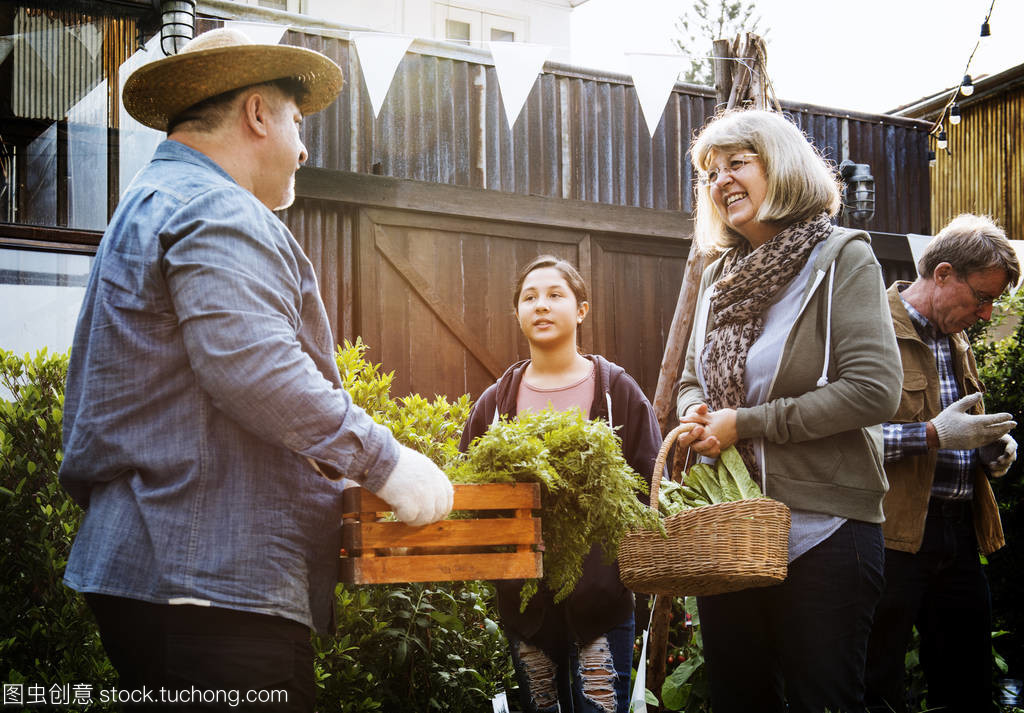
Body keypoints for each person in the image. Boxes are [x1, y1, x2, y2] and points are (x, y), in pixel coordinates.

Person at [58, 28, 453, 712]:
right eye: (298, 122)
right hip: (212, 581)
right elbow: (255, 367)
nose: (303, 148)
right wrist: (388, 462)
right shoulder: (216, 205)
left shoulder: (152, 201)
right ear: (257, 114)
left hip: (160, 574)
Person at [674, 108, 903, 713]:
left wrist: (744, 423)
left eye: (737, 164)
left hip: (825, 533)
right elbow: (692, 379)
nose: (721, 180)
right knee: (739, 700)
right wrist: (698, 413)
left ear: (782, 166)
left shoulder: (841, 259)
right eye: (710, 172)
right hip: (733, 530)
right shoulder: (719, 276)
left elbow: (875, 389)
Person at [458, 255, 661, 713]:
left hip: (604, 600)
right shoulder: (495, 404)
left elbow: (651, 482)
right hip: (525, 603)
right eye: (529, 298)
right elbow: (472, 491)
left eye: (555, 295)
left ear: (581, 310)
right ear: (517, 314)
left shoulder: (616, 391)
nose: (541, 306)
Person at [865, 214, 1019, 713]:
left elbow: (962, 426)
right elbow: (842, 439)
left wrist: (990, 451)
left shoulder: (957, 340)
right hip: (892, 536)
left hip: (957, 534)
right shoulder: (870, 327)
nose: (986, 311)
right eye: (982, 297)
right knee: (876, 680)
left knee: (968, 684)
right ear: (946, 273)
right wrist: (932, 435)